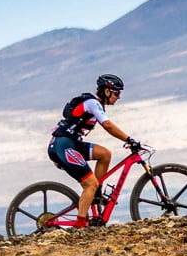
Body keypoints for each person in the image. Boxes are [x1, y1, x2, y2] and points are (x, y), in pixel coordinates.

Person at [47, 74, 141, 228]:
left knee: (105, 154)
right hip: (63, 145)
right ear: (106, 91)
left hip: (72, 143)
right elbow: (108, 126)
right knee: (90, 184)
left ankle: (96, 194)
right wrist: (129, 140)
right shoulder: (92, 103)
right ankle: (80, 222)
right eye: (116, 93)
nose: (119, 97)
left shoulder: (95, 104)